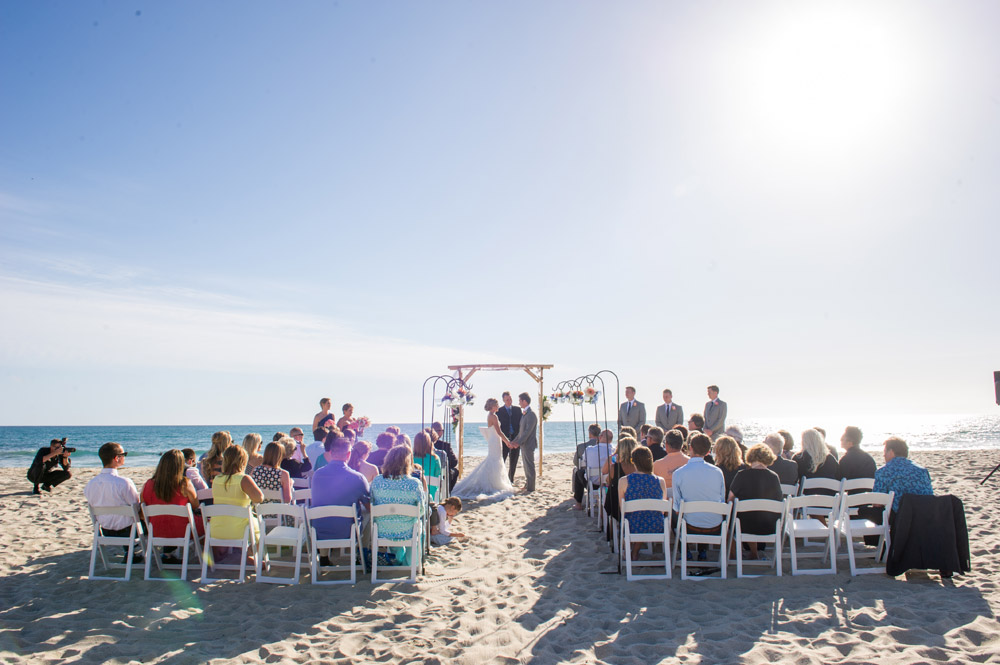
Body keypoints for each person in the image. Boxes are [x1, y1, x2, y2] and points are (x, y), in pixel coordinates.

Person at [141, 450, 204, 561]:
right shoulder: (184, 484)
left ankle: (168, 554)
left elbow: (143, 506)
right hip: (182, 531)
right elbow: (195, 505)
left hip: (156, 530)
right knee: (206, 523)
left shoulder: (149, 484)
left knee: (168, 520)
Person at [311, 434, 371, 550]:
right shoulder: (357, 478)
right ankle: (363, 552)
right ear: (349, 454)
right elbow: (369, 506)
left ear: (331, 453)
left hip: (319, 531)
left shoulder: (317, 475)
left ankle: (324, 555)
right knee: (368, 513)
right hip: (347, 532)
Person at [671, 433, 726, 560]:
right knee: (705, 510)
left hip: (690, 527)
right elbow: (721, 500)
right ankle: (702, 551)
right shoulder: (717, 472)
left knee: (674, 512)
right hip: (715, 527)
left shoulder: (679, 473)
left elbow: (678, 508)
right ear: (708, 451)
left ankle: (686, 551)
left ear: (690, 448)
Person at [83, 442, 141, 561]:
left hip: (106, 531)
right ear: (117, 458)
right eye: (124, 454)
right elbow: (136, 507)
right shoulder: (124, 483)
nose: (124, 456)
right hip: (128, 532)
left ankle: (129, 553)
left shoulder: (90, 484)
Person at [370, 446, 426, 566]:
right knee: (420, 527)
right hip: (408, 530)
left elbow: (373, 503)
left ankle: (399, 558)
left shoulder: (377, 481)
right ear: (408, 463)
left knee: (393, 523)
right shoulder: (414, 484)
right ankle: (411, 562)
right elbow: (421, 510)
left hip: (383, 530)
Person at [728, 444, 784, 559]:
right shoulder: (774, 477)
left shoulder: (741, 475)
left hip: (744, 527)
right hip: (769, 526)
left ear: (750, 457)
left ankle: (734, 555)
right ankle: (754, 552)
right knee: (756, 515)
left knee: (733, 518)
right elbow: (779, 501)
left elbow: (730, 500)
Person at [452, 398, 515, 500]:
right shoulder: (493, 416)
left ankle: (494, 481)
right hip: (495, 440)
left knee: (494, 460)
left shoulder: (491, 415)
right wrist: (507, 441)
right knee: (494, 460)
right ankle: (494, 483)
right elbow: (499, 432)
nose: (498, 406)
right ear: (493, 406)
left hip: (494, 440)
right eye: (497, 404)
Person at [619, 446, 668, 559]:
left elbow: (623, 509)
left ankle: (630, 551)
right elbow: (662, 509)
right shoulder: (660, 481)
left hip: (633, 525)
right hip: (657, 525)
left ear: (633, 461)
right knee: (645, 516)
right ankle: (634, 551)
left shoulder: (624, 481)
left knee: (630, 518)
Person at [210, 446, 264, 543]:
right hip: (239, 531)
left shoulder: (216, 479)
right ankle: (254, 556)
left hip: (217, 529)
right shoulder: (243, 479)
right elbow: (259, 498)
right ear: (243, 461)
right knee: (256, 524)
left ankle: (245, 556)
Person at [874, 436, 933, 515]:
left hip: (901, 517)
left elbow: (877, 503)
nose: (883, 455)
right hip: (924, 515)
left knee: (864, 511)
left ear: (891, 452)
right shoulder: (922, 470)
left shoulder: (884, 471)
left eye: (885, 452)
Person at [603, 436, 640, 526]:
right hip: (637, 503)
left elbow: (608, 481)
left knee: (610, 491)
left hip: (619, 506)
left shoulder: (614, 468)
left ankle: (612, 530)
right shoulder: (640, 467)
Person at [573, 428, 613, 508]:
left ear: (600, 437)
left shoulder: (589, 450)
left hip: (593, 484)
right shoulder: (614, 451)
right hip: (609, 483)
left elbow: (584, 461)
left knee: (578, 473)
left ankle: (578, 503)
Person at [509, 393, 539, 493]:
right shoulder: (524, 414)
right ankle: (528, 484)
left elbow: (527, 432)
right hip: (523, 445)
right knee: (526, 466)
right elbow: (521, 432)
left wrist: (518, 443)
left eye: (520, 401)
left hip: (529, 444)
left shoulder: (531, 414)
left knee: (529, 465)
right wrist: (514, 441)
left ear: (524, 401)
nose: (519, 403)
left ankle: (531, 487)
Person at [496, 391, 522, 483]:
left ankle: (511, 479)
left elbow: (521, 424)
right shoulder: (499, 411)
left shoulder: (518, 410)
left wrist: (518, 439)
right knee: (502, 460)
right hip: (504, 440)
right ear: (503, 400)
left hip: (515, 438)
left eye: (510, 399)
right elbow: (497, 426)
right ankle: (500, 479)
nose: (509, 401)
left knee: (514, 460)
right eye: (507, 400)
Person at [413, 431, 443, 501]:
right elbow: (438, 475)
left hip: (415, 492)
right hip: (431, 493)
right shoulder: (435, 458)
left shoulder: (410, 458)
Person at [430, 421, 459, 489]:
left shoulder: (421, 445)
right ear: (438, 431)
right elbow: (454, 462)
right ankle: (448, 491)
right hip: (442, 474)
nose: (442, 432)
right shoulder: (445, 445)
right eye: (442, 430)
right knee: (455, 471)